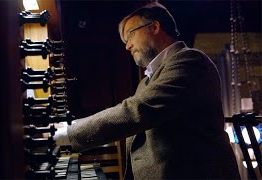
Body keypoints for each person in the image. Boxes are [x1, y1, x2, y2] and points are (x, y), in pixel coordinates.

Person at [54, 2, 240, 179]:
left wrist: (66, 134)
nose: (127, 46)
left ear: (155, 27)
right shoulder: (147, 82)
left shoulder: (190, 61)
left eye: (131, 35)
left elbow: (138, 111)